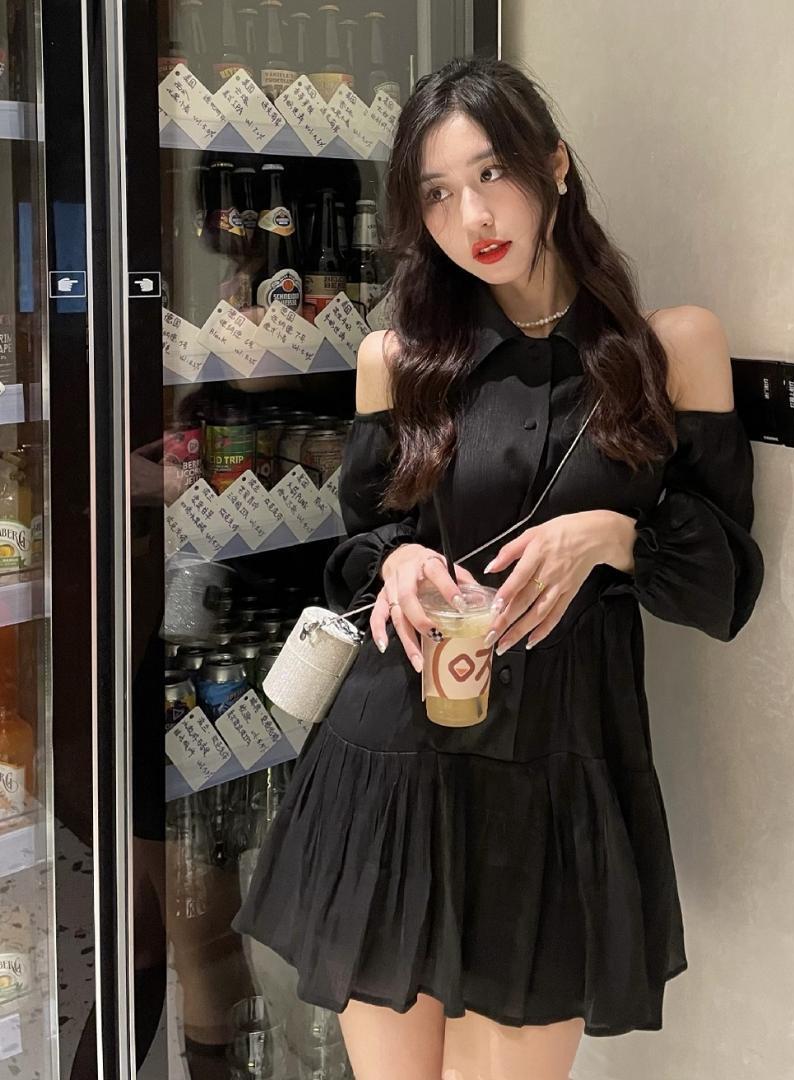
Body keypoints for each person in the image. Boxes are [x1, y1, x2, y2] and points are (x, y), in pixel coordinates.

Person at [233, 56, 765, 1080]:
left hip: (554, 771)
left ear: (554, 166)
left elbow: (726, 586)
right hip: (393, 759)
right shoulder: (398, 358)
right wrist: (396, 562)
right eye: (436, 192)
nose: (469, 215)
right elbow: (358, 551)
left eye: (490, 173)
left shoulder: (669, 348)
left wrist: (610, 534)